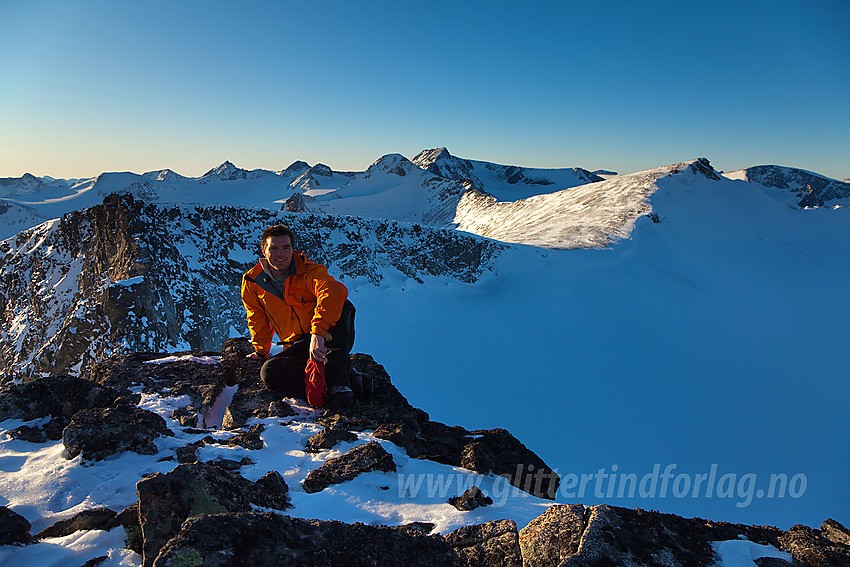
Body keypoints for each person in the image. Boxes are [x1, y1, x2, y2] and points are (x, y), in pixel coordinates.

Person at [241, 224, 355, 406]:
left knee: (342, 305)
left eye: (286, 248)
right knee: (270, 374)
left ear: (293, 249)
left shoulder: (309, 271)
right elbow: (257, 318)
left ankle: (339, 384)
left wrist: (317, 333)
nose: (281, 254)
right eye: (274, 248)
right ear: (264, 250)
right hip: (297, 343)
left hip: (327, 335)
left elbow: (333, 290)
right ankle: (344, 377)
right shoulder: (253, 282)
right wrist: (261, 351)